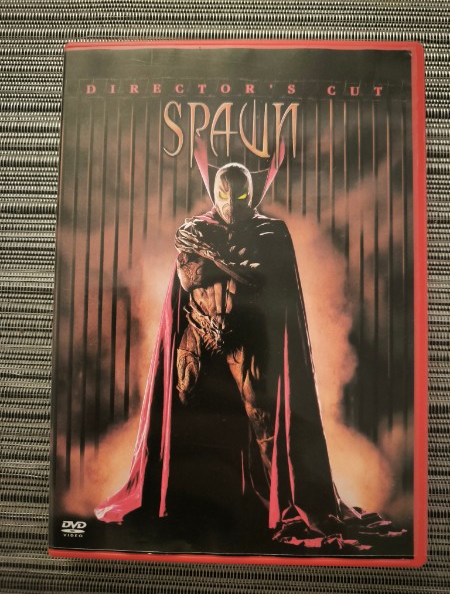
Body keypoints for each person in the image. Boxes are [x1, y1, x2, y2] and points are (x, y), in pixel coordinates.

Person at [95, 142, 404, 553]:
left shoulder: (269, 232)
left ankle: (269, 509)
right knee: (190, 419)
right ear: (214, 191)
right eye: (223, 193)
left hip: (250, 340)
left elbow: (259, 278)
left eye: (239, 195)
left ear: (251, 194)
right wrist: (226, 261)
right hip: (198, 336)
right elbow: (190, 279)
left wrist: (213, 255)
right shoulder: (195, 229)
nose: (230, 203)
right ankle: (192, 505)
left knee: (266, 425)